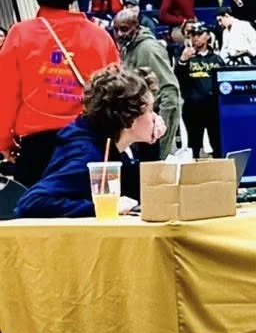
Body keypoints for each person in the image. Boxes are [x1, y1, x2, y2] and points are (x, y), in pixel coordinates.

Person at [0, 0, 119, 185]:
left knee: (38, 217)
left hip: (39, 149)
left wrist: (4, 142)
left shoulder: (20, 35)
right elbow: (116, 95)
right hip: (92, 144)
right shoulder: (100, 37)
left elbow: (5, 94)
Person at [15, 67, 162, 219]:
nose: (155, 117)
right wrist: (100, 207)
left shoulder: (109, 144)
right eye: (150, 110)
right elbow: (32, 203)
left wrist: (150, 144)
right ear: (129, 117)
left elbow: (141, 187)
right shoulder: (86, 154)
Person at [110, 7, 179, 157]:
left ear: (137, 27)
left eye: (124, 29)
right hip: (138, 130)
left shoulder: (149, 49)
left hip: (153, 132)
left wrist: (163, 137)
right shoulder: (127, 48)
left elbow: (171, 92)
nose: (119, 34)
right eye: (116, 30)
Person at [176, 26, 222, 158]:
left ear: (207, 36)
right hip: (193, 108)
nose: (196, 38)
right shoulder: (185, 58)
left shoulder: (216, 59)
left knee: (217, 143)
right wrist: (182, 61)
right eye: (192, 35)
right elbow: (177, 79)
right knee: (193, 145)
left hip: (213, 108)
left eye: (199, 34)